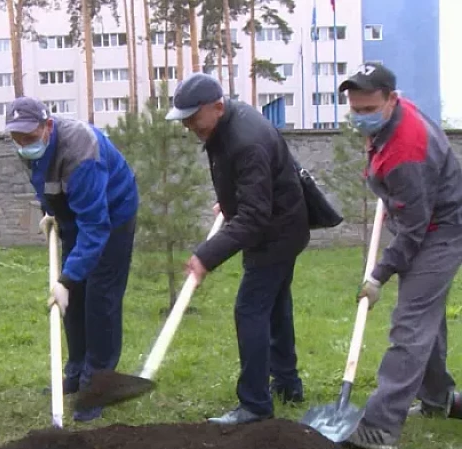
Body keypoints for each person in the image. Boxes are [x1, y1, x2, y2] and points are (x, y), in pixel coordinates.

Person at [165, 73, 311, 425]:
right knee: (274, 306)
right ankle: (288, 385)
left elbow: (255, 216)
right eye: (183, 117)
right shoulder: (227, 125)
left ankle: (255, 405)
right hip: (282, 226)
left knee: (250, 310)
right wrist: (230, 202)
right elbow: (255, 185)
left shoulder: (246, 139)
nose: (187, 125)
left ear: (217, 107)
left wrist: (205, 257)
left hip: (275, 234)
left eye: (192, 116)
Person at [339, 62, 462, 449]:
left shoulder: (407, 150)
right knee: (427, 318)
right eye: (354, 109)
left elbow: (413, 229)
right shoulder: (393, 118)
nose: (359, 117)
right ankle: (440, 398)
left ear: (391, 100)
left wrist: (379, 274)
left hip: (440, 231)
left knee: (409, 324)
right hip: (424, 219)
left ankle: (380, 426)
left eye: (367, 110)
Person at [4, 96, 139, 422]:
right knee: (73, 302)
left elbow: (96, 226)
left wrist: (66, 279)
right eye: (17, 138)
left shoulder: (82, 152)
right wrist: (49, 213)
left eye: (29, 137)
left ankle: (98, 385)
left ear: (47, 126)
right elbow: (48, 183)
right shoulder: (29, 148)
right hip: (75, 217)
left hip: (112, 216)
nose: (23, 145)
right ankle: (77, 373)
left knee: (100, 299)